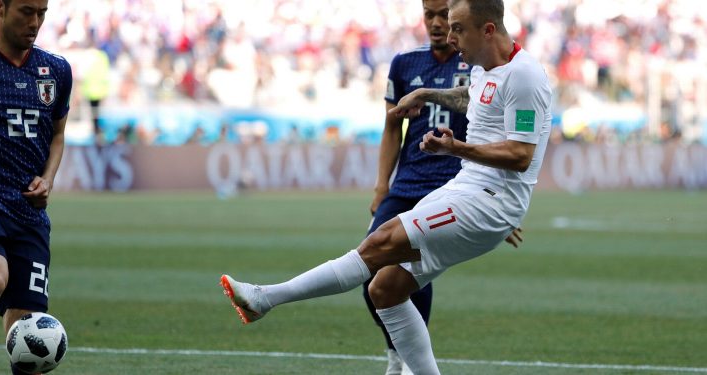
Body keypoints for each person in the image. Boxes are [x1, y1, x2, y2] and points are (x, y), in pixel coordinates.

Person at [220, 0, 551, 373]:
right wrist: (426, 95)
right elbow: (472, 98)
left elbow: (520, 154)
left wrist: (455, 147)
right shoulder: (483, 68)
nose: (450, 34)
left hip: (491, 202)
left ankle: (265, 298)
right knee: (385, 290)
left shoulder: (525, 76)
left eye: (458, 27)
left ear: (488, 30)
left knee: (378, 243)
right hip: (467, 188)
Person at [0, 1, 72, 374]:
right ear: (0, 7)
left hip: (29, 214)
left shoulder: (55, 70)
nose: (35, 22)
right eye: (26, 11)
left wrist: (49, 179)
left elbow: (57, 135)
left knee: (28, 333)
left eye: (42, 12)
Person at [365, 0, 471, 373]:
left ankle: (411, 363)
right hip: (405, 185)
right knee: (368, 269)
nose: (438, 23)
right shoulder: (404, 63)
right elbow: (392, 126)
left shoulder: (475, 64)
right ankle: (398, 353)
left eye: (445, 14)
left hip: (451, 187)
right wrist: (382, 186)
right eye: (430, 15)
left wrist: (495, 195)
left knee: (412, 270)